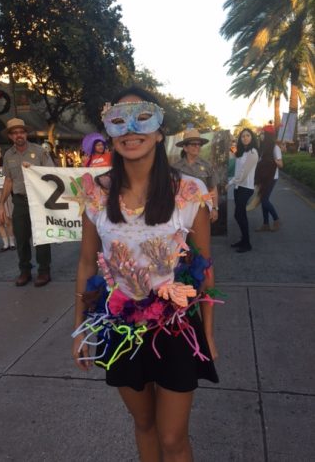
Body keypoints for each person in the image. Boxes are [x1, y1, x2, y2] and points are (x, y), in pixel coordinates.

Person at [72, 87, 219, 461]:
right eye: (118, 120)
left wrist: (209, 332)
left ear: (159, 132)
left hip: (176, 328)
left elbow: (205, 269)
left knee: (172, 438)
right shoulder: (95, 195)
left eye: (142, 118)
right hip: (119, 328)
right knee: (144, 424)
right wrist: (81, 327)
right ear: (109, 132)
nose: (130, 129)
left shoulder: (188, 192)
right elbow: (88, 263)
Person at [0, 118, 54, 287]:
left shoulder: (39, 151)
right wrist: (1, 203)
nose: (18, 135)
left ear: (26, 133)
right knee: (21, 237)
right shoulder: (8, 155)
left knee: (41, 237)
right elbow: (8, 180)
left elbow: (51, 174)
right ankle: (25, 271)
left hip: (38, 201)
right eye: (14, 133)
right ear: (10, 136)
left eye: (21, 132)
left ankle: (44, 271)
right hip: (20, 201)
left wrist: (35, 170)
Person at [173, 129, 219, 222]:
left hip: (201, 209)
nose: (197, 147)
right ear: (185, 148)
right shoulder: (176, 167)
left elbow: (213, 188)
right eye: (194, 144)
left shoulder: (207, 166)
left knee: (201, 236)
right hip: (182, 210)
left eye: (199, 144)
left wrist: (214, 208)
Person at [227, 128, 259, 253]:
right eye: (242, 136)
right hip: (238, 188)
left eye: (248, 135)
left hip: (246, 188)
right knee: (240, 214)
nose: (245, 138)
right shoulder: (241, 152)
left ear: (252, 138)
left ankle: (247, 243)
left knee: (239, 214)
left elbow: (243, 173)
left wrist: (230, 183)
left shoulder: (253, 152)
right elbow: (233, 165)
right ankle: (244, 240)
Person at [253, 129, 283, 231]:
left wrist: (273, 160)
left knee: (264, 200)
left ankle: (276, 219)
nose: (261, 136)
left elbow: (281, 164)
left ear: (268, 137)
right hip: (263, 177)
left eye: (263, 134)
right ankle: (265, 224)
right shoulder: (264, 148)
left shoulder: (275, 148)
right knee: (263, 199)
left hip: (271, 177)